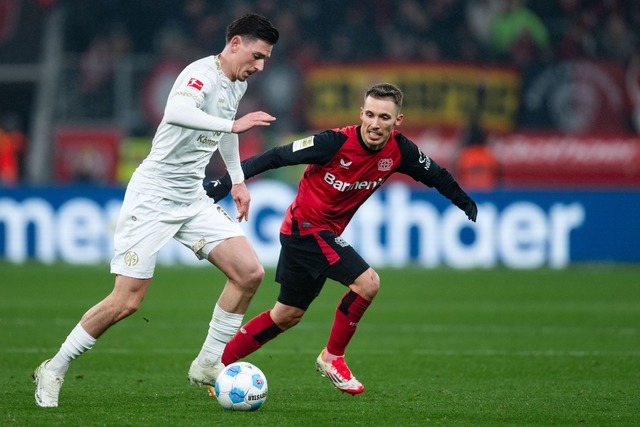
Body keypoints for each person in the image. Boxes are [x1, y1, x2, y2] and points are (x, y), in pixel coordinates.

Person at [33, 13, 279, 408]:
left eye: (265, 59)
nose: (260, 66)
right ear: (234, 44)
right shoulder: (198, 75)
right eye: (256, 55)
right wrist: (233, 127)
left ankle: (207, 363)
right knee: (126, 302)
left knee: (249, 273)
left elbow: (223, 128)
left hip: (191, 197)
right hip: (153, 197)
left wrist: (236, 180)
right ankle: (55, 367)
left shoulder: (235, 82)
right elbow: (178, 114)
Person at [204, 83, 478, 395]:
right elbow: (277, 156)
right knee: (368, 283)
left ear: (397, 121)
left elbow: (437, 175)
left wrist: (464, 201)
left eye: (384, 118)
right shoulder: (333, 142)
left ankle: (216, 367)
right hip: (305, 229)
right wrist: (228, 182)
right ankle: (332, 358)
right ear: (362, 114)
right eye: (371, 115)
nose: (376, 124)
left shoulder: (400, 151)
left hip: (313, 233)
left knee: (286, 315)